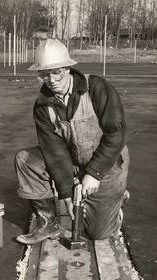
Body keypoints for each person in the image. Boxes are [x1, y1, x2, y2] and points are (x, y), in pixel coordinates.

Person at [15, 38, 130, 245]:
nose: (51, 79)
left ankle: (117, 202)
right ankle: (48, 222)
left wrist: (94, 174)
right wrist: (66, 194)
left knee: (97, 233)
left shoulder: (96, 88)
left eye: (56, 72)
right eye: (44, 74)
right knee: (25, 160)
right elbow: (54, 152)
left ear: (68, 68)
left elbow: (116, 134)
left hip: (108, 164)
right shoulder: (43, 106)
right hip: (74, 162)